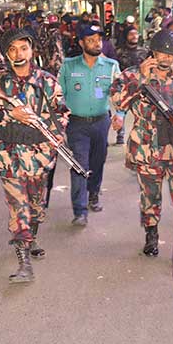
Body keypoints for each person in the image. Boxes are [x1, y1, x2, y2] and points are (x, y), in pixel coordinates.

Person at [0, 28, 68, 283]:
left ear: (32, 50)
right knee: (19, 208)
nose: (19, 54)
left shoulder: (46, 81)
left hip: (41, 156)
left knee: (36, 205)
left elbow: (61, 111)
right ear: (6, 53)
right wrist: (7, 114)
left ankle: (32, 234)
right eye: (12, 49)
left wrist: (58, 133)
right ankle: (24, 260)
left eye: (23, 48)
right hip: (9, 156)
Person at [110, 29, 173, 256]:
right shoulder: (131, 75)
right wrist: (141, 78)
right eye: (162, 53)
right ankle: (151, 234)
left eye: (171, 55)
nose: (166, 59)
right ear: (152, 51)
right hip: (148, 150)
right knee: (150, 196)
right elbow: (118, 102)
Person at [57, 24, 120, 226]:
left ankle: (93, 192)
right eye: (91, 40)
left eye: (98, 39)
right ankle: (80, 210)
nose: (96, 43)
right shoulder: (68, 66)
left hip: (102, 122)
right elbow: (58, 94)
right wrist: (60, 116)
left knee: (97, 162)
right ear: (81, 43)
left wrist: (120, 113)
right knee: (79, 165)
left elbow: (120, 94)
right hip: (77, 124)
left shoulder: (111, 66)